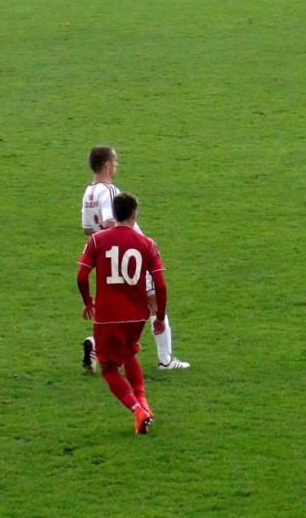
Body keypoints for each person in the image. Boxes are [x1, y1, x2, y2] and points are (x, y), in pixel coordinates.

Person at [80, 145, 190, 372]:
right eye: (115, 162)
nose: (116, 166)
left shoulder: (88, 193)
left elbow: (87, 229)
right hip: (132, 257)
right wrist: (131, 243)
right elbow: (111, 222)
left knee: (122, 306)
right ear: (107, 165)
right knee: (153, 302)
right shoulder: (109, 191)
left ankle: (95, 345)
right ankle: (165, 360)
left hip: (109, 259)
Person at [77, 192, 166, 434]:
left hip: (108, 316)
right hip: (137, 315)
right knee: (128, 354)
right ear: (134, 214)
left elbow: (82, 276)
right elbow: (160, 285)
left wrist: (88, 302)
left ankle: (137, 410)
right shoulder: (147, 243)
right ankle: (144, 403)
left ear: (114, 214)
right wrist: (159, 317)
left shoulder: (97, 240)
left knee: (108, 368)